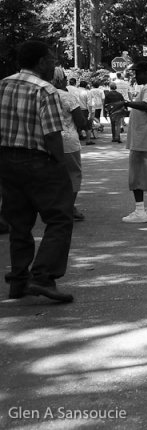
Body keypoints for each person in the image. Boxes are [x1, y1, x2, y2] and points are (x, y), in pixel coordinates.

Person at [0, 40, 75, 302]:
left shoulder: (3, 85)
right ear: (41, 62)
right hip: (38, 160)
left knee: (18, 223)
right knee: (60, 217)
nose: (55, 64)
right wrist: (61, 163)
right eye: (52, 59)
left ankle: (19, 280)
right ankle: (43, 277)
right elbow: (52, 133)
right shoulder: (46, 90)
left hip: (7, 160)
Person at [113, 61, 147, 223]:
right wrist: (129, 110)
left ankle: (139, 211)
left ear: (145, 72)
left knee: (137, 175)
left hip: (143, 141)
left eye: (137, 73)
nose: (135, 77)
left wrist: (126, 103)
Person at [53, 69, 89, 221]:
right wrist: (88, 124)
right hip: (68, 141)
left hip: (47, 140)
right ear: (61, 80)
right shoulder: (68, 97)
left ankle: (57, 206)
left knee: (54, 175)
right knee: (73, 174)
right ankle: (69, 207)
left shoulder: (44, 95)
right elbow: (80, 121)